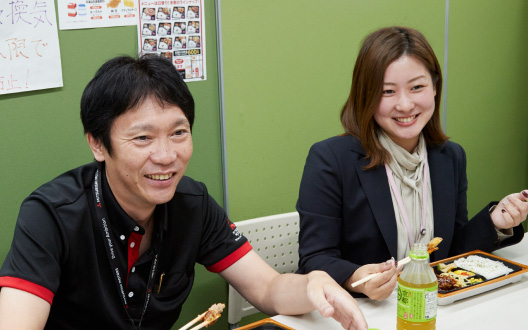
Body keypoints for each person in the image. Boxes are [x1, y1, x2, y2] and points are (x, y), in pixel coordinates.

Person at [0, 55, 368, 330]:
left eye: (179, 133)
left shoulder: (192, 204)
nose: (166, 156)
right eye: (143, 138)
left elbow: (268, 287)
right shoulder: (50, 214)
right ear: (98, 144)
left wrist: (312, 285)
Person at [296, 26, 528, 301]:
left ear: (434, 88)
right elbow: (314, 258)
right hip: (366, 312)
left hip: (433, 308)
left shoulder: (450, 157)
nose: (405, 105)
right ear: (365, 96)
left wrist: (495, 222)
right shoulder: (330, 159)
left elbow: (449, 253)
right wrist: (357, 278)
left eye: (417, 87)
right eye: (387, 91)